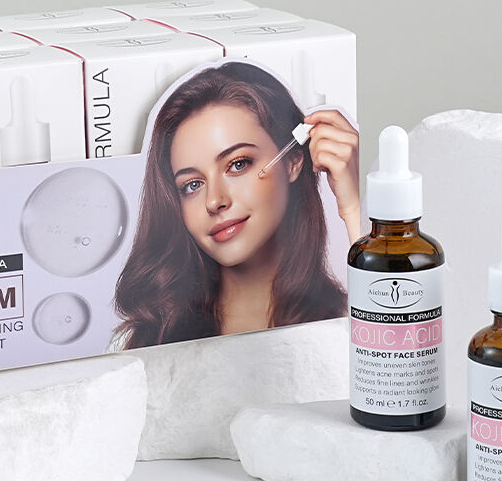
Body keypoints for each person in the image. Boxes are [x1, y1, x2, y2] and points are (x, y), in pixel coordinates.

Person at [112, 61, 359, 349]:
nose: (215, 201)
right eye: (192, 185)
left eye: (238, 164)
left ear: (292, 161)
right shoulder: (137, 343)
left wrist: (354, 210)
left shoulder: (354, 324)